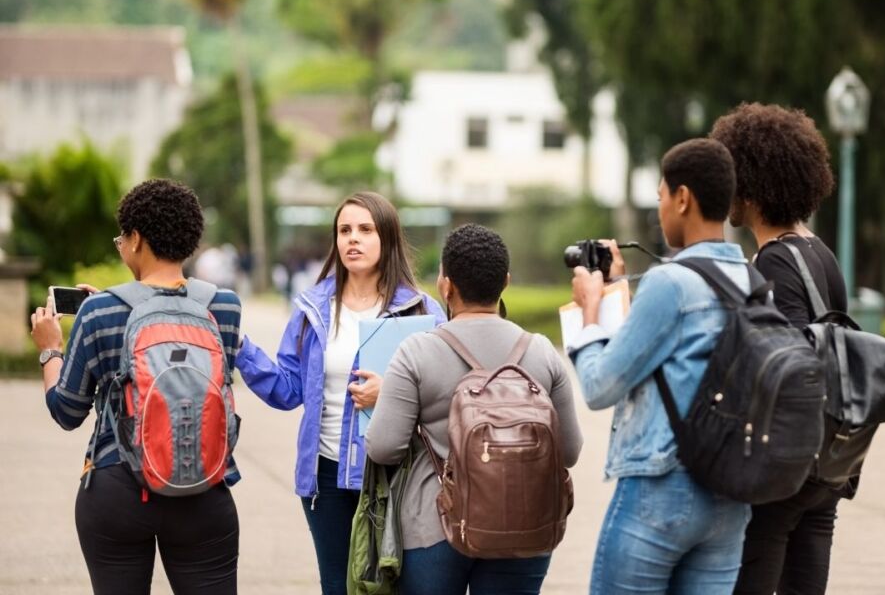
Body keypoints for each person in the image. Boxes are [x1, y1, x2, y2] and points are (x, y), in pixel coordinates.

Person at [30, 178, 242, 594]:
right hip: (204, 484)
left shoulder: (99, 311)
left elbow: (67, 411)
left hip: (118, 489)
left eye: (121, 238)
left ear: (136, 239)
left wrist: (50, 350)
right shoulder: (225, 305)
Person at [234, 191, 446, 595]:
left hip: (395, 474)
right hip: (325, 475)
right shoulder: (312, 308)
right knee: (337, 586)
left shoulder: (422, 311)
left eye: (365, 229)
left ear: (387, 238)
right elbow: (287, 389)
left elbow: (446, 396)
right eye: (344, 230)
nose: (353, 239)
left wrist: (394, 394)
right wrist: (241, 349)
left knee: (397, 585)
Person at [569, 138, 753, 594]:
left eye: (661, 198)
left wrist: (589, 313)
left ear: (683, 198)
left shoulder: (670, 282)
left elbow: (598, 386)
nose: (661, 210)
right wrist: (617, 287)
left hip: (661, 487)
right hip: (731, 497)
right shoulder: (754, 280)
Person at [365, 223, 583, 595]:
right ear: (506, 283)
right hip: (525, 524)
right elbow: (569, 451)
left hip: (435, 526)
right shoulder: (542, 352)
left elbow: (383, 446)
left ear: (445, 285)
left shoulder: (417, 352)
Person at [710, 102, 847, 595]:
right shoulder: (819, 253)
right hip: (828, 464)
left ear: (752, 185)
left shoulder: (774, 262)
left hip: (787, 467)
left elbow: (786, 363)